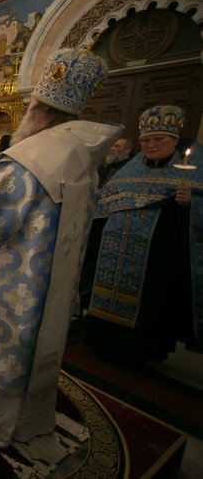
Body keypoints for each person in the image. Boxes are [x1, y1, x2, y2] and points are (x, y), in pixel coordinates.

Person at [0, 47, 122, 447]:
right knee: (27, 350)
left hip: (7, 279)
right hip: (47, 285)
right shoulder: (80, 156)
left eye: (29, 104)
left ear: (39, 112)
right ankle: (17, 422)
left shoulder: (28, 159)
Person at [83, 105, 201, 364]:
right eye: (146, 140)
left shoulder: (189, 175)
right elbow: (104, 206)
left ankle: (140, 352)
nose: (151, 145)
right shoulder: (128, 172)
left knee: (151, 302)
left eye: (159, 139)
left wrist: (190, 204)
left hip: (157, 261)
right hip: (113, 255)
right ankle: (101, 342)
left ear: (175, 141)